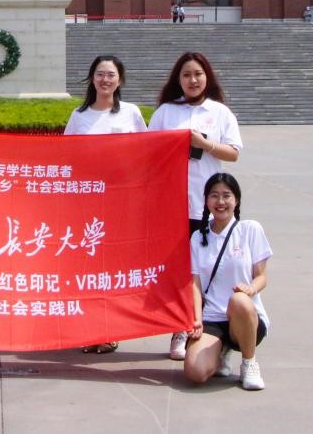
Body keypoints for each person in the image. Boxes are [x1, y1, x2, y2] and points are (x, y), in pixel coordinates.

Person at [149, 51, 243, 361]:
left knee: (205, 268)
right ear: (178, 79)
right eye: (186, 74)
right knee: (179, 270)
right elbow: (148, 150)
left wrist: (205, 144)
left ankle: (211, 330)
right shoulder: (166, 112)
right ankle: (180, 327)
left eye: (198, 74)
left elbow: (233, 153)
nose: (193, 80)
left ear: (207, 77)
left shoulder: (219, 112)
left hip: (208, 205)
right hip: (173, 203)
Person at [65, 54, 147, 354]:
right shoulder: (79, 116)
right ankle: (89, 330)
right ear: (92, 78)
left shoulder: (131, 113)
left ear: (120, 79)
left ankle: (110, 329)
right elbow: (66, 156)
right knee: (88, 266)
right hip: (87, 202)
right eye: (100, 74)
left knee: (114, 267)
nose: (105, 80)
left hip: (120, 201)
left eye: (111, 75)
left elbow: (146, 152)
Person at [183, 173, 271, 390]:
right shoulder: (198, 237)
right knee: (195, 371)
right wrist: (197, 319)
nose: (220, 202)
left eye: (226, 195)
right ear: (206, 200)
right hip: (213, 317)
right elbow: (194, 282)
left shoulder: (250, 229)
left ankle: (249, 363)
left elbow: (262, 276)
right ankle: (220, 352)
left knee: (239, 300)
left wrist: (250, 289)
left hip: (244, 316)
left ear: (236, 200)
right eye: (214, 195)